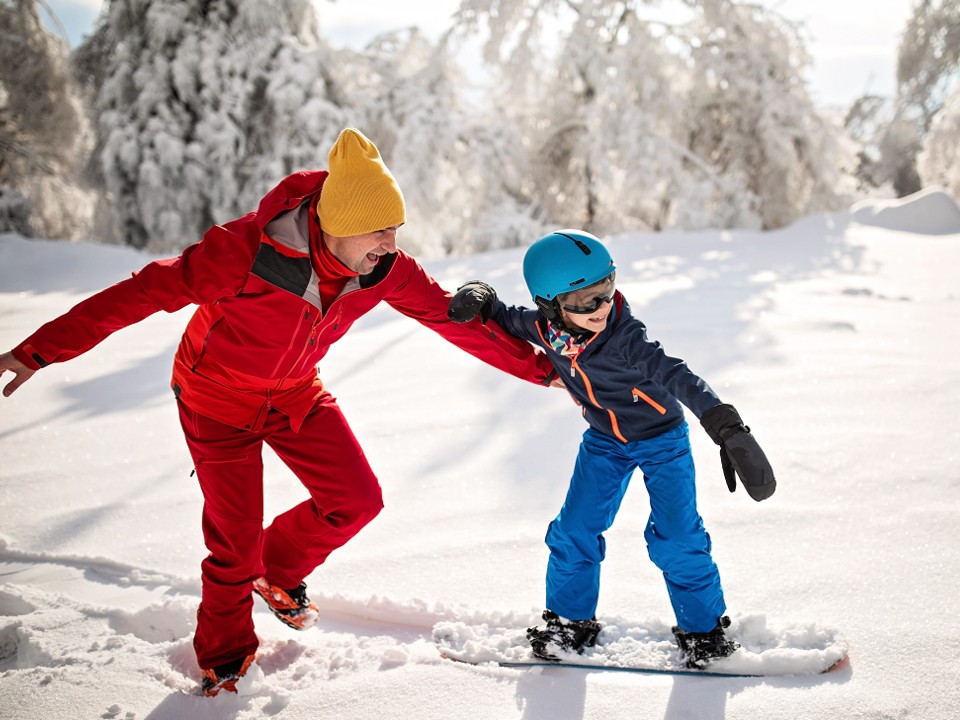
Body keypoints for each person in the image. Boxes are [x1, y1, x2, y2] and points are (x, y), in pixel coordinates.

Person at [0, 128, 557, 696]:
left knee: (356, 499)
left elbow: (450, 317)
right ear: (338, 221)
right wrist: (37, 351)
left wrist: (546, 370)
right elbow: (137, 294)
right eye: (379, 229)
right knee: (232, 541)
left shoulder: (384, 268)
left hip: (294, 393)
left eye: (396, 229)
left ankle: (276, 571)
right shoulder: (242, 253)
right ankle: (224, 659)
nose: (391, 243)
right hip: (214, 402)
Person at [447, 229, 775, 668]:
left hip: (662, 441)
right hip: (604, 442)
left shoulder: (625, 336)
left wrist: (725, 424)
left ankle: (704, 632)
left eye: (606, 290)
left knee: (676, 538)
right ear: (551, 305)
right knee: (573, 531)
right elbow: (507, 318)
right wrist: (482, 297)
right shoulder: (546, 327)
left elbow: (677, 374)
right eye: (584, 301)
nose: (601, 308)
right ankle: (570, 623)